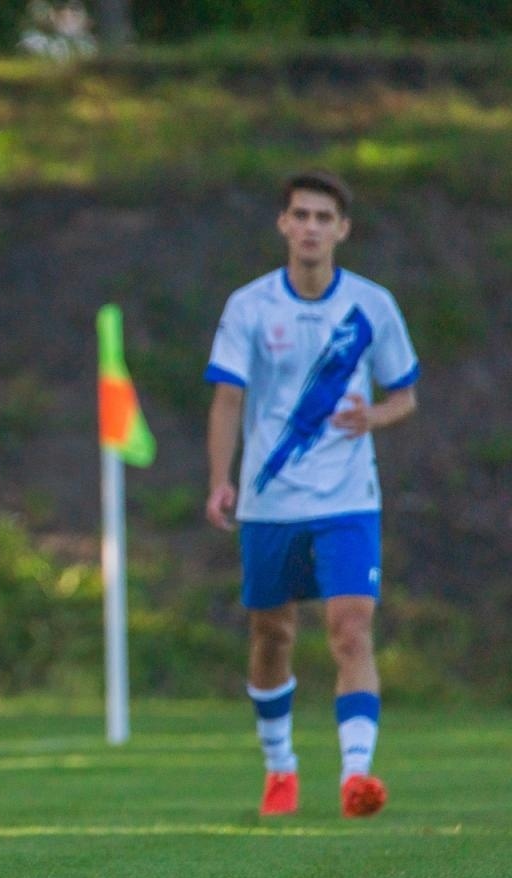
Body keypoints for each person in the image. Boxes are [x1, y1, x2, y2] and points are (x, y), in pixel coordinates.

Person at [205, 169, 420, 819]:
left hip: (349, 495)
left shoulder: (372, 306)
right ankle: (280, 766)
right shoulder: (249, 305)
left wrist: (372, 417)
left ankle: (357, 775)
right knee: (271, 632)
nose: (311, 227)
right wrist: (221, 477)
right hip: (271, 500)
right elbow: (227, 397)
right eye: (301, 214)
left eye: (324, 217)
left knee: (351, 626)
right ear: (282, 224)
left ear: (343, 230)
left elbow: (403, 395)